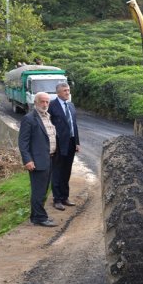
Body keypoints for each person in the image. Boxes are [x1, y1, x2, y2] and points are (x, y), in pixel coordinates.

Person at [18, 92, 58, 227]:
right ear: (35, 102)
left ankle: (35, 217)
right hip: (37, 161)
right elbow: (23, 143)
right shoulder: (29, 118)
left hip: (49, 159)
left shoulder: (48, 117)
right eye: (42, 101)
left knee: (43, 189)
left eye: (47, 102)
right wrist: (27, 160)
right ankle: (41, 218)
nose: (45, 104)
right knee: (39, 191)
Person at [48, 82, 80, 211]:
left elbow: (74, 125)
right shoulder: (52, 106)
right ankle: (57, 199)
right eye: (65, 91)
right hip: (58, 144)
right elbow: (48, 126)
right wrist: (51, 145)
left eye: (68, 90)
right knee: (57, 171)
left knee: (67, 171)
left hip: (71, 143)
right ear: (58, 93)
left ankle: (65, 197)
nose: (67, 92)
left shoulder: (71, 106)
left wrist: (77, 142)